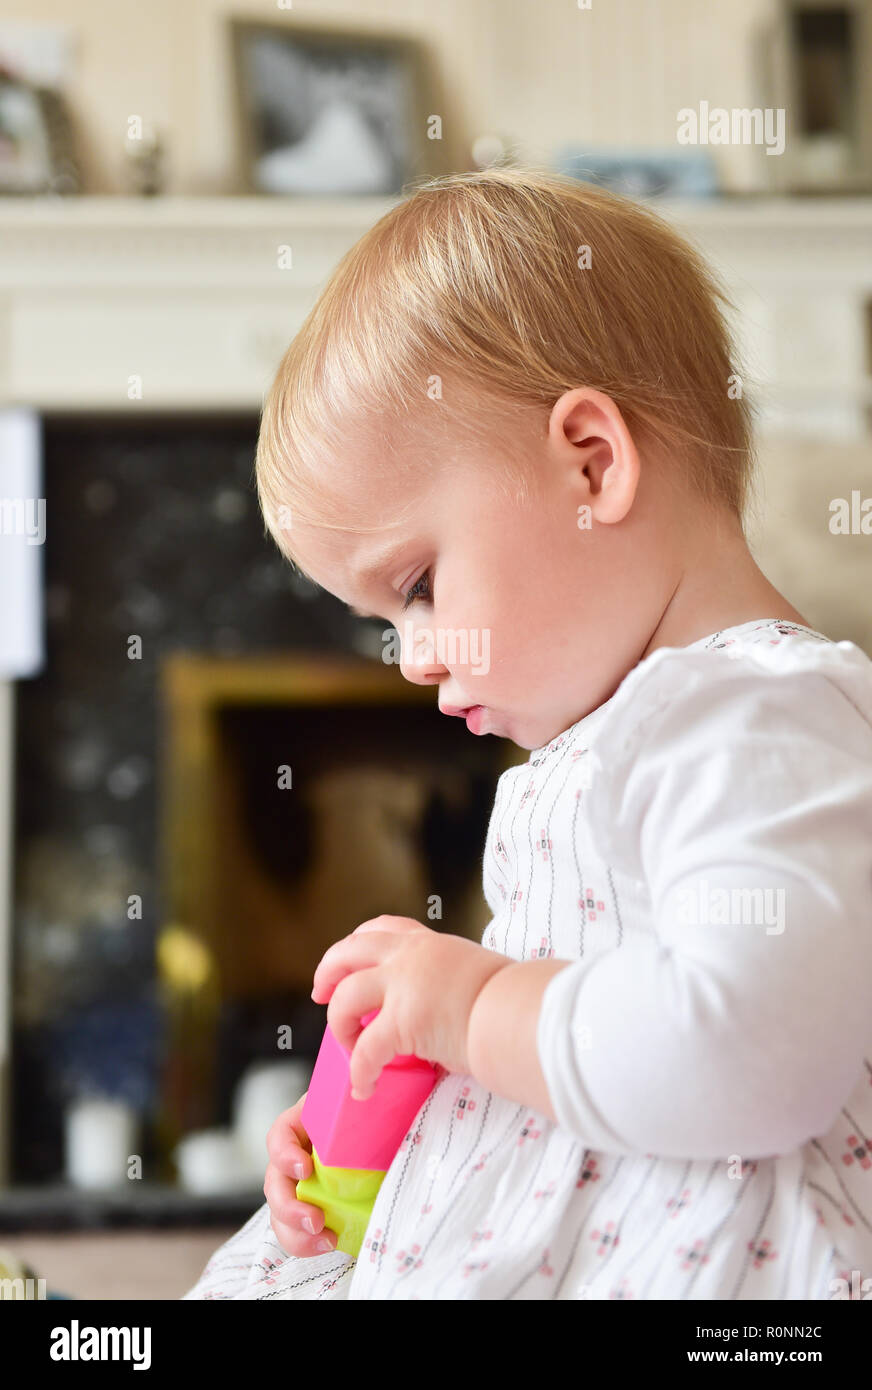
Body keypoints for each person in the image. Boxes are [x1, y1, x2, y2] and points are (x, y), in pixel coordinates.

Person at [183, 167, 872, 1300]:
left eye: (416, 582)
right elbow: (591, 1036)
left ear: (590, 463)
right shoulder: (617, 738)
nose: (412, 656)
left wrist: (469, 1006)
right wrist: (396, 1130)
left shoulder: (752, 713)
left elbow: (746, 1043)